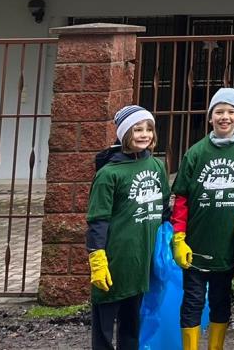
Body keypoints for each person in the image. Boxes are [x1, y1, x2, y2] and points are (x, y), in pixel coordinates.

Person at [171, 87, 234, 350]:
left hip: (226, 246)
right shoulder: (196, 152)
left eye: (231, 112)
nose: (225, 117)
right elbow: (182, 199)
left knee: (221, 302)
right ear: (210, 117)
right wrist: (178, 237)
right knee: (193, 302)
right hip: (195, 246)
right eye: (219, 111)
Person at [86, 104, 169, 350]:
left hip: (142, 260)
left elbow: (164, 208)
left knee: (132, 325)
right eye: (137, 130)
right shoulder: (109, 174)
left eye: (148, 129)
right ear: (124, 134)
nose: (144, 135)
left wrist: (172, 241)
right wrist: (97, 257)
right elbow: (98, 219)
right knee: (104, 328)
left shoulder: (156, 166)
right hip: (115, 260)